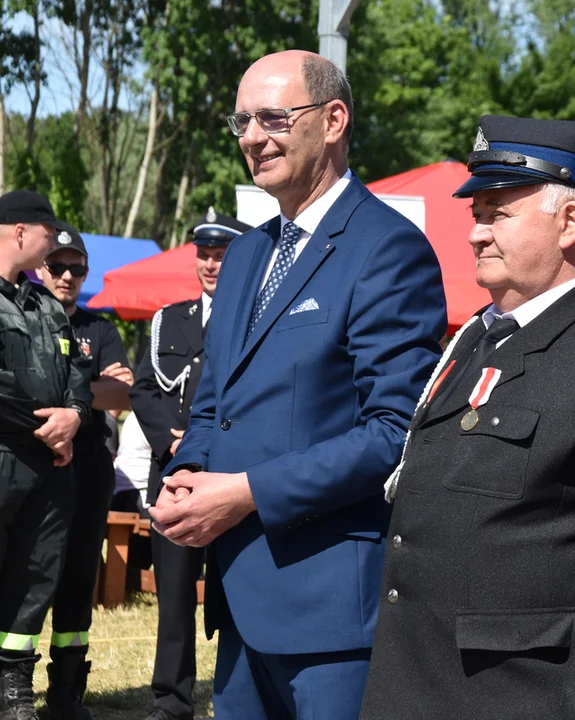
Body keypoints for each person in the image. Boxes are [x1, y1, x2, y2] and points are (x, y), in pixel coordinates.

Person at [148, 50, 447, 720]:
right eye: (242, 120)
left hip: (330, 618)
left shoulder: (387, 249)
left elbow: (393, 435)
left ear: (333, 119)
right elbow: (215, 404)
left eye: (273, 118)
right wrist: (189, 472)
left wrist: (245, 493)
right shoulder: (248, 252)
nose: (251, 137)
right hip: (237, 603)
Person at [360, 116, 575, 720]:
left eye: (497, 213)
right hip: (412, 681)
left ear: (568, 223)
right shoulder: (471, 343)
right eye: (475, 214)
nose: (476, 235)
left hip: (515, 695)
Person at [128, 209, 249, 720]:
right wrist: (169, 441)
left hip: (228, 476)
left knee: (239, 594)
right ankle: (171, 702)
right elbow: (142, 388)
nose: (210, 263)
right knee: (174, 596)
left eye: (220, 255)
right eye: (203, 254)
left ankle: (238, 695)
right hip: (174, 474)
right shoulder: (168, 319)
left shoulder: (251, 316)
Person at [35, 225, 133, 720]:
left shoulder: (101, 329)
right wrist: (91, 387)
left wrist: (68, 395)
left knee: (79, 577)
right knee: (25, 573)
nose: (68, 276)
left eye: (77, 268)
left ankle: (67, 689)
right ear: (40, 268)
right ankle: (12, 684)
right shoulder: (23, 317)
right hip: (36, 465)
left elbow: (124, 395)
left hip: (90, 464)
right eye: (58, 266)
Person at [0, 190, 92, 720]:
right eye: (45, 232)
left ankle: (13, 690)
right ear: (19, 232)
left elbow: (77, 373)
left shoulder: (45, 306)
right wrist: (48, 428)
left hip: (51, 471)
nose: (52, 241)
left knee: (34, 578)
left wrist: (75, 416)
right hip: (9, 456)